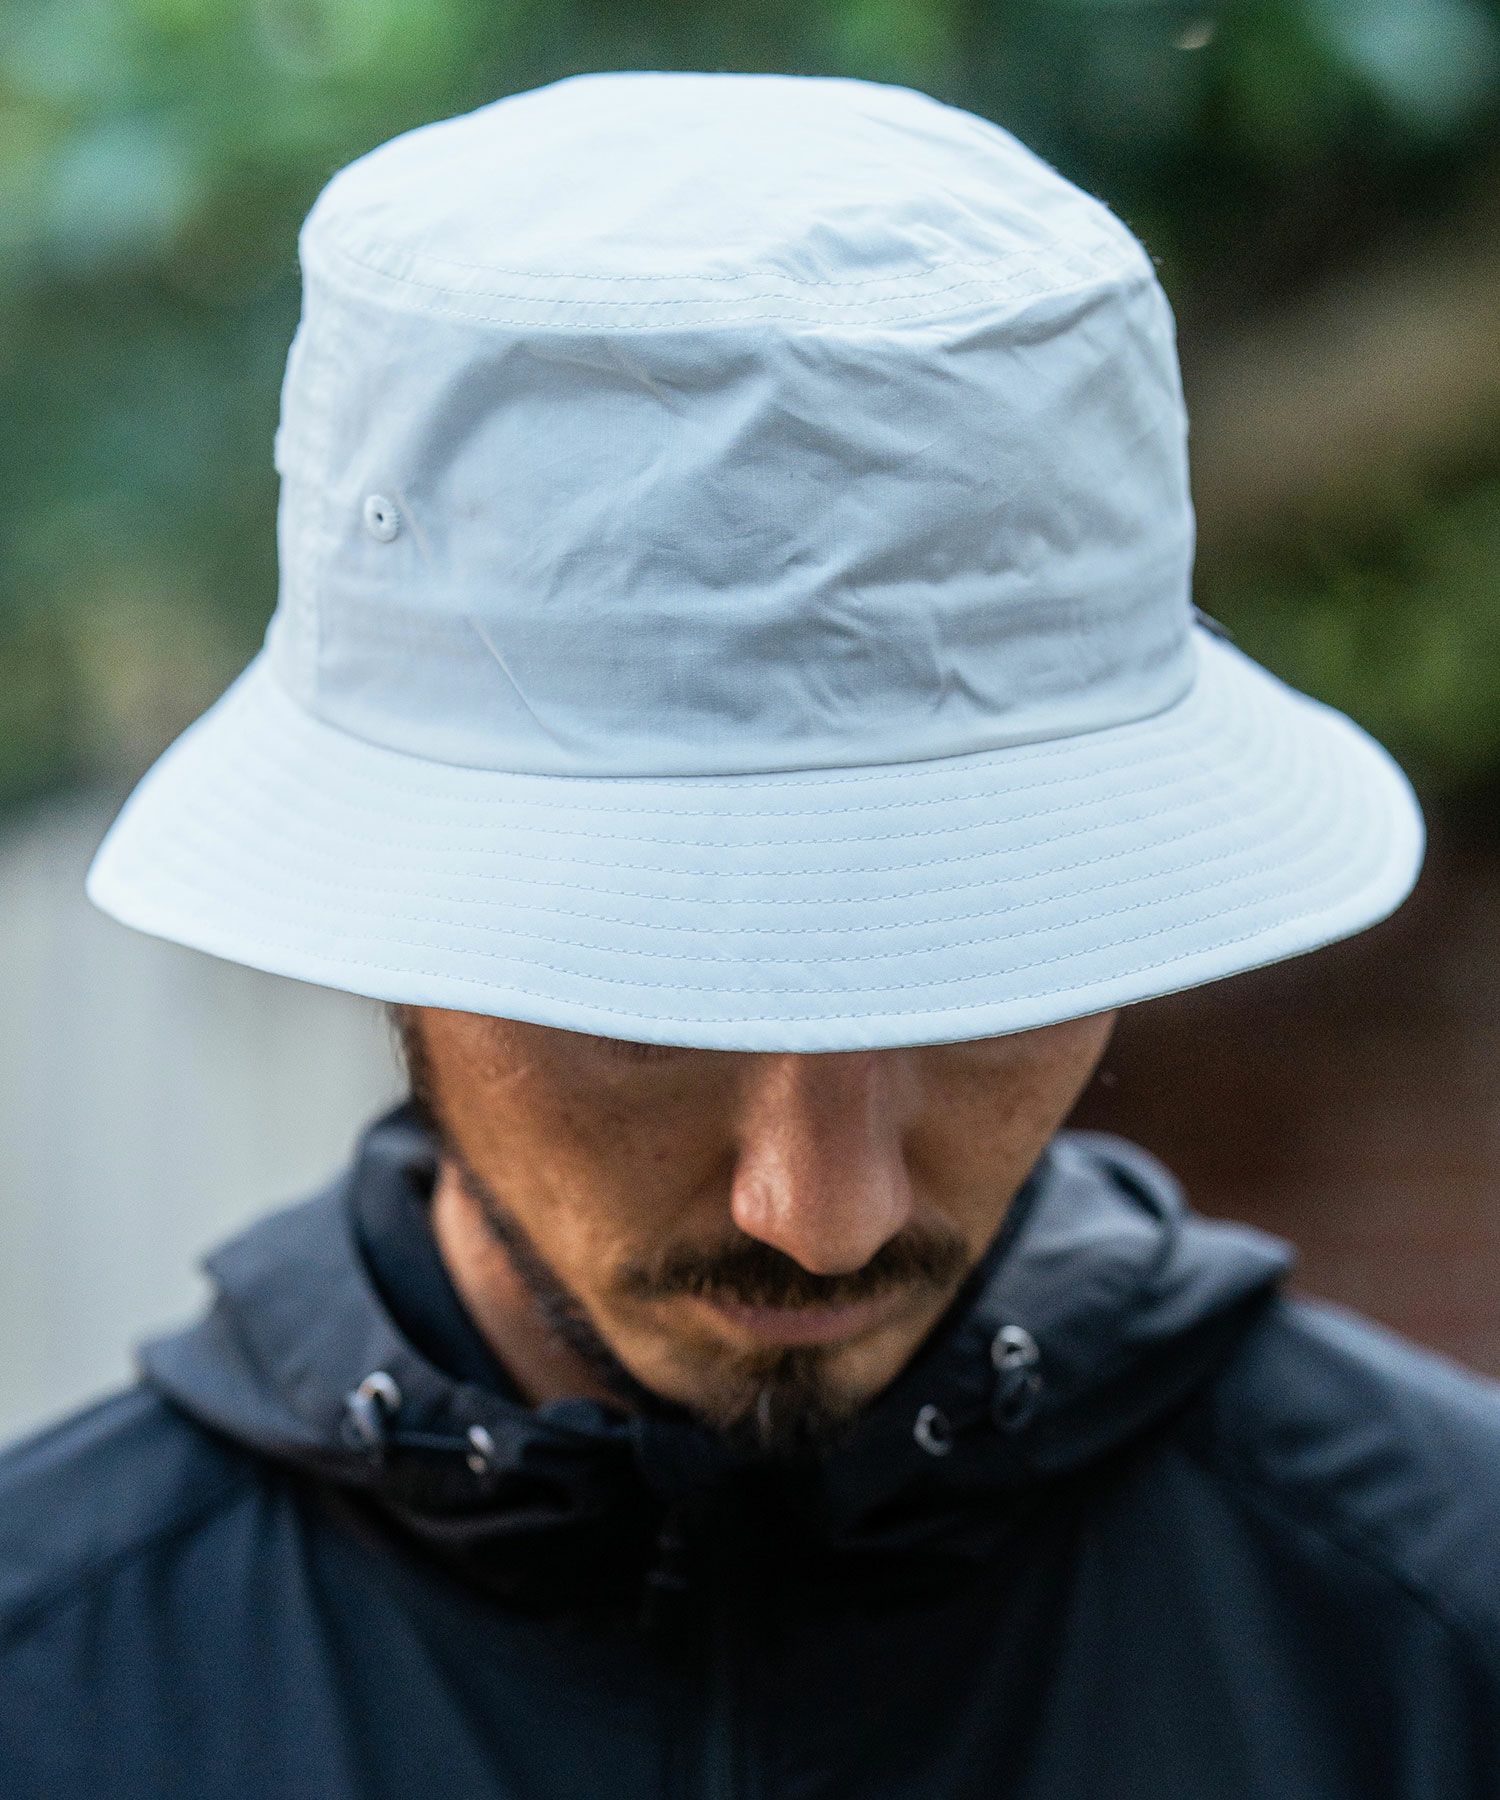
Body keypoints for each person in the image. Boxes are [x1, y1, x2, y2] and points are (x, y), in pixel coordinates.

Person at [2, 67, 1495, 1800]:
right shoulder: (50, 1697)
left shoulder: (1443, 1629)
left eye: (972, 975)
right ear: (392, 932)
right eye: (649, 1003)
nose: (820, 1210)